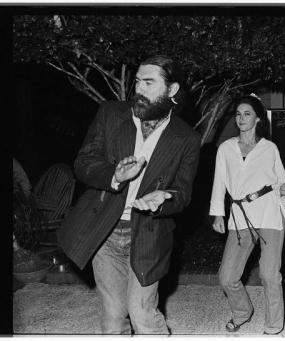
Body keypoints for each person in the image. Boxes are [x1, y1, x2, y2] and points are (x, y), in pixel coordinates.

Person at [57, 55, 201, 334]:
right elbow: (83, 162)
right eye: (137, 82)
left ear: (172, 90)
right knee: (112, 317)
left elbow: (182, 193)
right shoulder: (111, 114)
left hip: (148, 233)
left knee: (142, 315)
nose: (139, 89)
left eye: (149, 83)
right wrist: (114, 175)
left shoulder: (186, 138)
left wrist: (165, 198)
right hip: (105, 230)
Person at [209, 94, 285, 335]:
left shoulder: (269, 148)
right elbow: (219, 183)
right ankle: (242, 312)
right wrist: (218, 214)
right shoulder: (226, 149)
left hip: (268, 212)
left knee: (269, 275)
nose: (241, 118)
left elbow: (281, 181)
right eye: (238, 114)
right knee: (227, 277)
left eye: (247, 114)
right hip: (239, 216)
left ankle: (274, 325)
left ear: (258, 119)